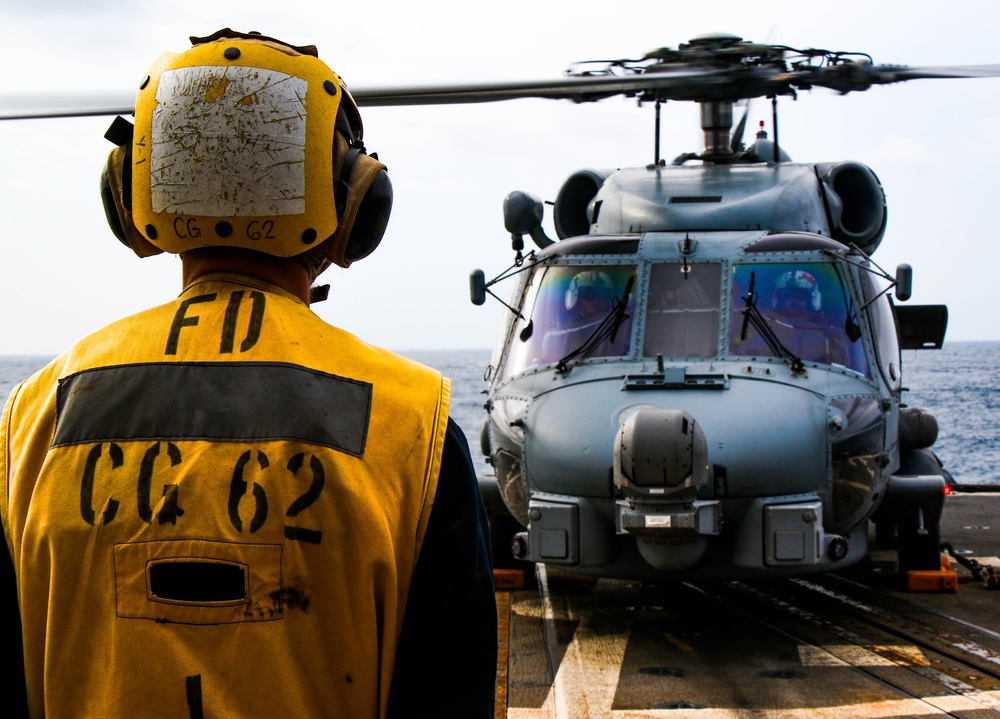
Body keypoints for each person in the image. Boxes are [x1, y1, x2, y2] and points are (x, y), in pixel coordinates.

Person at [1, 29, 496, 718]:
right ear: (351, 205)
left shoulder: (31, 418)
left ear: (131, 191)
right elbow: (449, 691)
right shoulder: (415, 425)